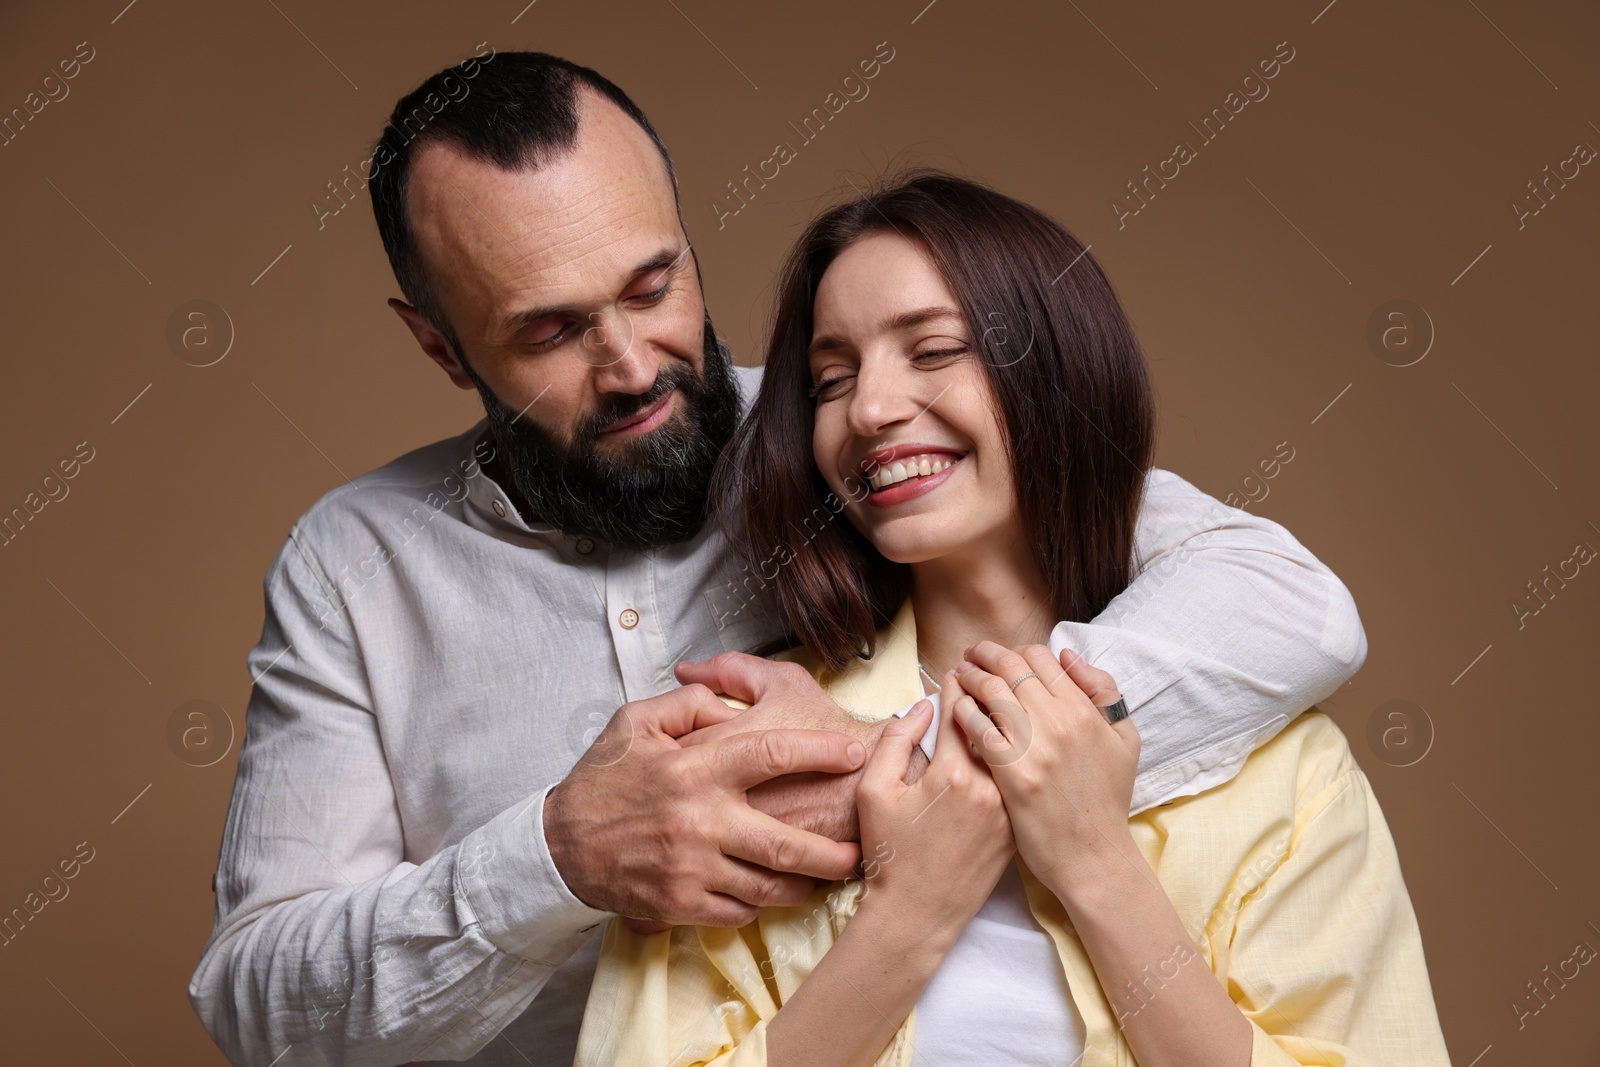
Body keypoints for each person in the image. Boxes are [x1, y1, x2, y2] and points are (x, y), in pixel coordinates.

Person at [188, 52, 1369, 1066]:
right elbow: (257, 1000)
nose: (634, 363)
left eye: (655, 286)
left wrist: (891, 765)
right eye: (550, 331)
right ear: (441, 346)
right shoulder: (351, 564)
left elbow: (1282, 601)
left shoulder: (864, 444)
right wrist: (558, 855)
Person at [575, 174, 1449, 1067]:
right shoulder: (743, 766)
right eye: (831, 379)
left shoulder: (1285, 773)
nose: (869, 409)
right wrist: (910, 916)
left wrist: (1097, 865)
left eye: (934, 349)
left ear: (1059, 369)